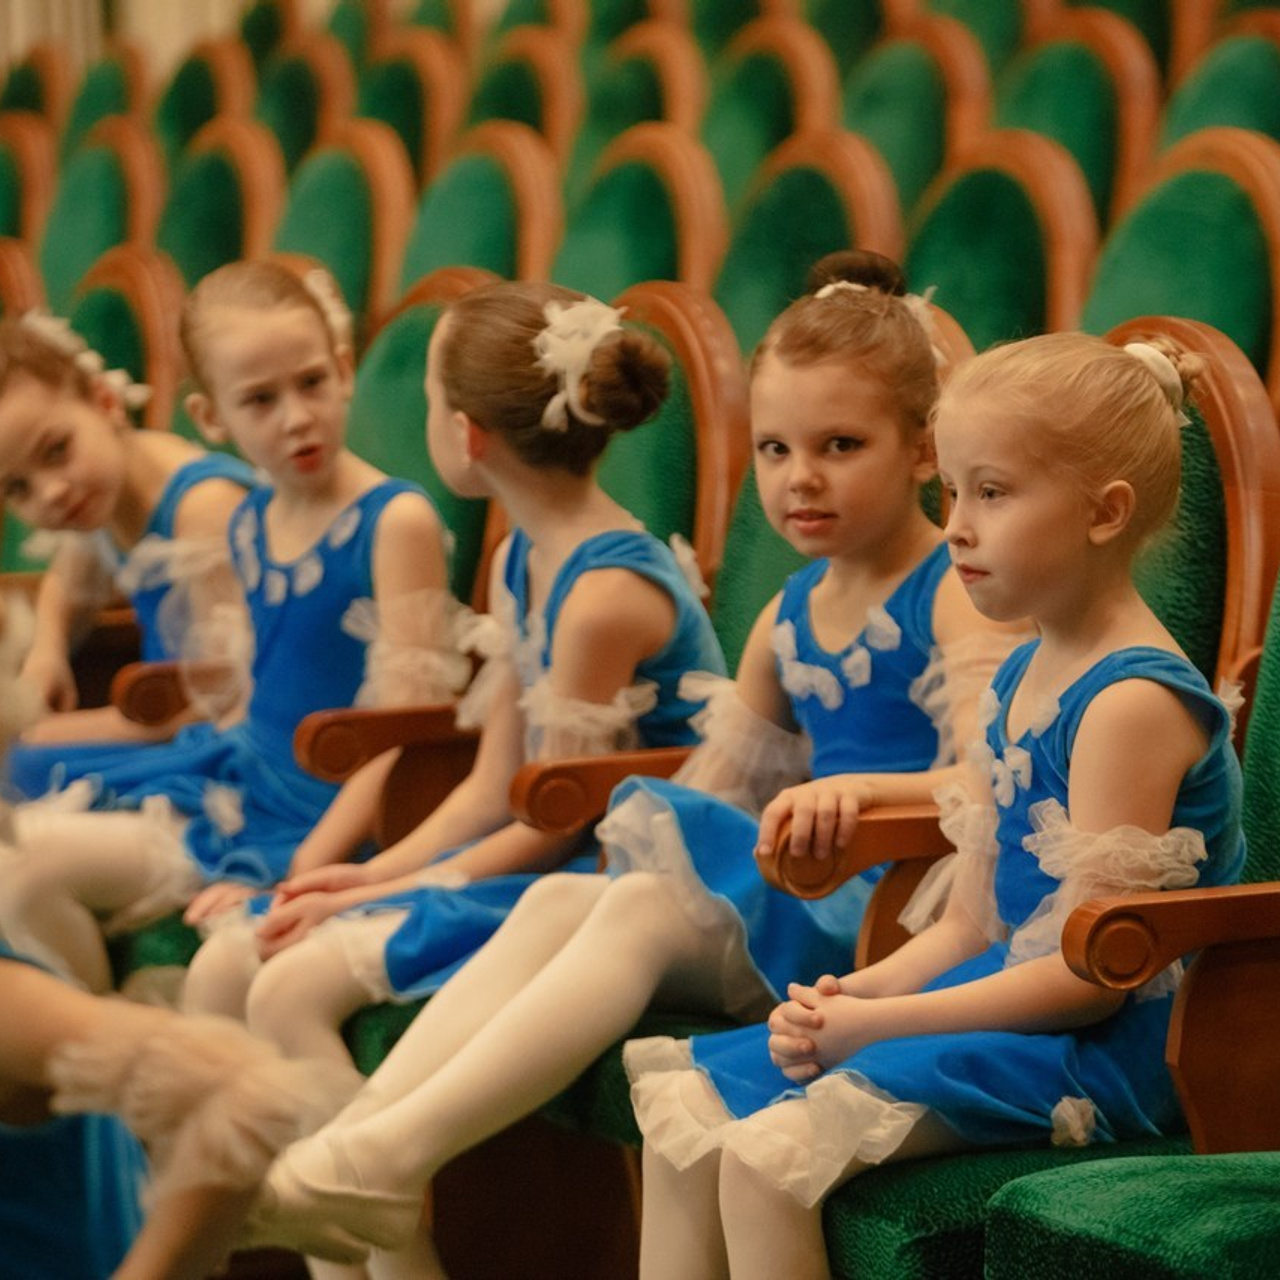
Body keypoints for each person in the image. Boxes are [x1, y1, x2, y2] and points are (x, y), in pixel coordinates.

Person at [229, 253, 1029, 1269]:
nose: (800, 476)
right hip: (803, 886)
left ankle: (377, 1151)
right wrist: (639, 852)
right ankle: (369, 1148)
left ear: (922, 449)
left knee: (642, 900)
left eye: (840, 444)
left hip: (891, 917)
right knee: (576, 895)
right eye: (774, 447)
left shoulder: (948, 589)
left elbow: (989, 788)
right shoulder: (788, 614)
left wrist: (856, 790)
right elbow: (710, 793)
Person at [605, 331, 1246, 1279]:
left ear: (1104, 512)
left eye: (992, 492)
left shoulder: (1129, 703)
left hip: (1108, 1049)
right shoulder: (1021, 669)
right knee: (683, 1124)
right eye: (950, 492)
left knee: (767, 1161)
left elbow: (1094, 975)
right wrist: (862, 992)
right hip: (1001, 998)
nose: (955, 527)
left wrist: (880, 1028)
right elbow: (970, 920)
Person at [181, 279, 725, 1080]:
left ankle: (352, 1204)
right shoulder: (518, 560)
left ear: (466, 436)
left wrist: (388, 892)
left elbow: (555, 821)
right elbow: (489, 786)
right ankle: (240, 1185)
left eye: (431, 399)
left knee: (288, 989)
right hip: (541, 857)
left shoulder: (601, 597)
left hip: (620, 880)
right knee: (230, 960)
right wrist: (369, 873)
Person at [0, 259, 464, 995]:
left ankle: (117, 1054)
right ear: (214, 419)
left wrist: (306, 863)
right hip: (245, 786)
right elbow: (231, 693)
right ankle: (95, 1066)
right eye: (260, 399)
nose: (296, 417)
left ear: (344, 371)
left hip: (324, 812)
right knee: (17, 862)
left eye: (310, 383)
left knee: (25, 866)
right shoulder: (253, 521)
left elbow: (403, 729)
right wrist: (49, 648)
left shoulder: (391, 520)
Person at [0, 311, 254, 797]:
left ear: (106, 401)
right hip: (165, 727)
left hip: (227, 746)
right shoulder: (97, 503)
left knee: (14, 769)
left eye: (56, 451)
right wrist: (47, 649)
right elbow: (64, 584)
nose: (49, 493)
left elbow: (227, 697)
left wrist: (47, 730)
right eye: (17, 487)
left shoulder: (202, 508)